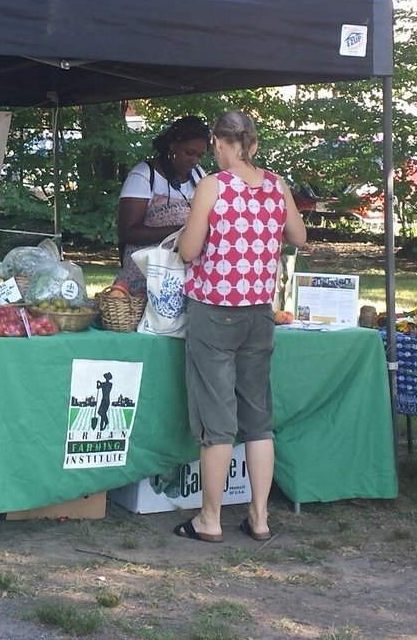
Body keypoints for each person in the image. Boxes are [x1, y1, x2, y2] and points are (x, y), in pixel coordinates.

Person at [173, 110, 306, 544]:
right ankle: (259, 516)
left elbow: (191, 250)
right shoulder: (275, 184)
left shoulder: (212, 185)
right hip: (259, 314)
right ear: (253, 143)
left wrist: (180, 238)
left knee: (218, 420)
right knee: (258, 418)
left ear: (219, 142)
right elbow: (299, 237)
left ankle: (210, 520)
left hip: (214, 312)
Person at [115, 115, 210, 293]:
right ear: (173, 145)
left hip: (184, 278)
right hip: (144, 278)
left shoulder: (199, 176)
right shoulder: (143, 175)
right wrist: (179, 231)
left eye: (199, 155)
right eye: (189, 153)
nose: (195, 160)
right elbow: (127, 232)